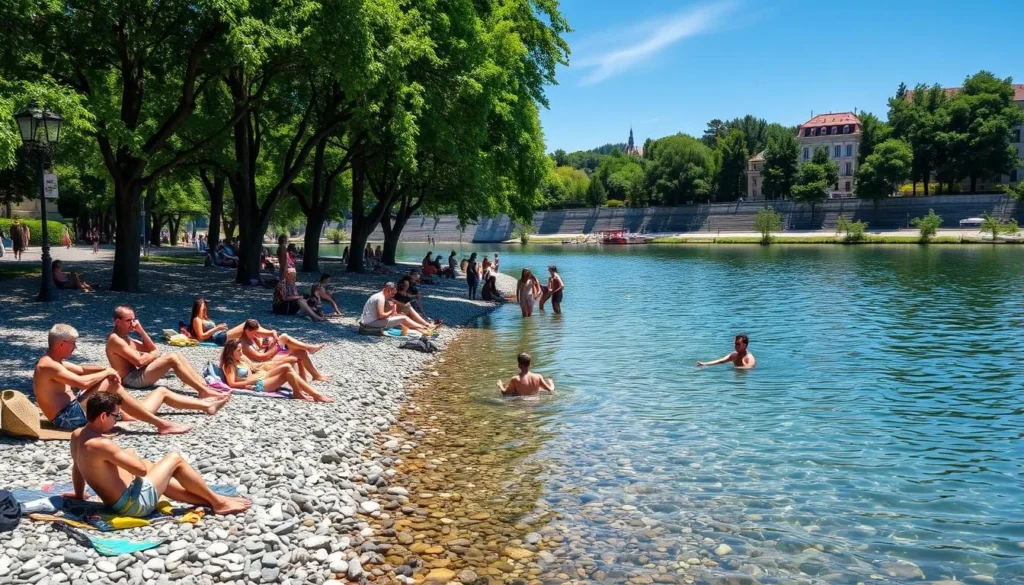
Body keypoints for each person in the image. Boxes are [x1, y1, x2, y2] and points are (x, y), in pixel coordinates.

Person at [68, 393, 250, 516]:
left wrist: (79, 494)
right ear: (103, 416)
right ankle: (218, 503)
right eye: (116, 416)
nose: (117, 420)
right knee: (174, 459)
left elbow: (77, 467)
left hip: (115, 503)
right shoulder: (102, 444)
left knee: (151, 467)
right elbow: (139, 470)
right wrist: (126, 454)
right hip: (133, 506)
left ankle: (212, 501)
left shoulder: (77, 435)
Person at [36, 324, 224, 434]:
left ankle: (205, 405)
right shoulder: (48, 365)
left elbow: (81, 369)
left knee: (161, 391)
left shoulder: (56, 361)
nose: (75, 348)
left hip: (76, 409)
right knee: (110, 382)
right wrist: (109, 373)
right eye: (72, 344)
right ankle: (162, 425)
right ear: (61, 344)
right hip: (67, 418)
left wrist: (106, 369)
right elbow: (83, 382)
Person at [106, 306, 218, 399]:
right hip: (131, 380)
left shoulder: (125, 338)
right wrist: (152, 354)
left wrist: (141, 331)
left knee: (176, 354)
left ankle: (202, 384)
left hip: (136, 374)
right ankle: (202, 391)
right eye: (128, 321)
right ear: (117, 322)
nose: (133, 324)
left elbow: (152, 349)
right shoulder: (115, 340)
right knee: (171, 358)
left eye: (133, 320)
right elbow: (140, 361)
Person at [220, 340, 332, 402]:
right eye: (239, 351)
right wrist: (247, 384)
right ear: (231, 352)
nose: (241, 353)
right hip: (258, 384)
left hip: (261, 377)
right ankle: (316, 395)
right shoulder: (229, 365)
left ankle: (299, 393)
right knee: (287, 368)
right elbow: (231, 384)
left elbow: (254, 365)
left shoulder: (240, 359)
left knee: (288, 369)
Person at [239, 319, 327, 381]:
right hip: (261, 364)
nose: (257, 334)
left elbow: (262, 344)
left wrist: (270, 341)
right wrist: (276, 346)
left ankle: (316, 375)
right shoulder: (244, 344)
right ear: (247, 330)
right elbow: (261, 358)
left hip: (265, 358)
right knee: (284, 337)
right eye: (255, 332)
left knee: (300, 352)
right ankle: (309, 348)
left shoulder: (251, 337)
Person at [189, 298, 273, 345]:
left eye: (205, 308)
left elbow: (211, 331)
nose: (205, 310)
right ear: (198, 308)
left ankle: (264, 341)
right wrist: (217, 328)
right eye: (203, 309)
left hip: (220, 335)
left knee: (249, 329)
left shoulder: (205, 319)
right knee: (248, 324)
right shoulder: (197, 319)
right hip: (218, 338)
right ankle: (270, 334)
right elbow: (201, 336)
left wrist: (220, 328)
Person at [360, 282, 428, 331]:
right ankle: (423, 327)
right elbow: (381, 315)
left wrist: (392, 313)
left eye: (394, 294)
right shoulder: (380, 298)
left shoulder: (378, 296)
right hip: (370, 323)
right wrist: (391, 311)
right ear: (386, 290)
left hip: (368, 321)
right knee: (403, 318)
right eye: (392, 293)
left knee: (400, 318)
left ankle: (422, 326)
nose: (392, 296)